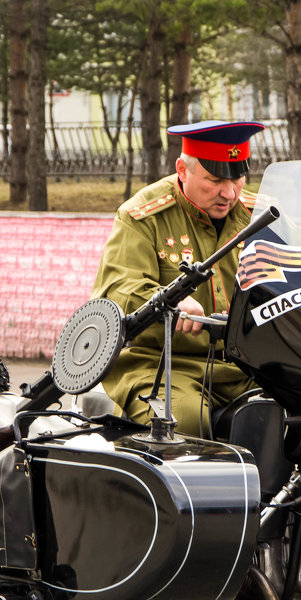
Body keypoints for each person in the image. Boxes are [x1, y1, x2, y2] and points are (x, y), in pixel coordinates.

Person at [91, 120, 266, 436]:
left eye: (238, 178)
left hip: (247, 366)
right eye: (213, 180)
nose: (229, 193)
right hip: (161, 364)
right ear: (182, 171)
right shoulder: (143, 217)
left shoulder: (262, 216)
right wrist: (167, 300)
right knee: (182, 422)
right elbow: (118, 289)